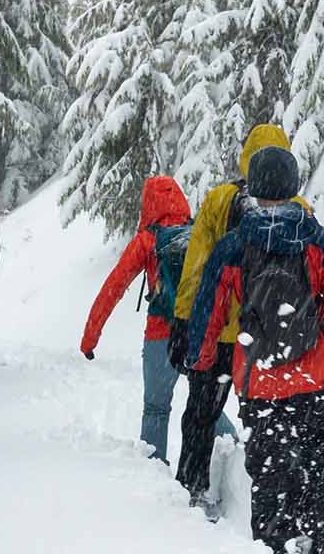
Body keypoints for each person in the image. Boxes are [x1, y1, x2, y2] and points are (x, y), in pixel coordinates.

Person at [186, 144, 324, 554]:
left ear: (251, 187)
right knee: (321, 453)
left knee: (270, 466)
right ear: (293, 186)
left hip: (260, 378)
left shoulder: (234, 246)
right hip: (316, 376)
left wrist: (201, 358)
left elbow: (208, 312)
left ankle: (279, 552)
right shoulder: (318, 242)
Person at [169, 122, 301, 510]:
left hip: (221, 335)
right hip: (272, 340)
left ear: (247, 157)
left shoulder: (220, 199)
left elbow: (197, 266)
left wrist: (183, 322)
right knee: (274, 420)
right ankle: (277, 504)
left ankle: (190, 488)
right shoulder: (299, 209)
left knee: (200, 415)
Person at [79, 174, 229, 466]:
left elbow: (113, 288)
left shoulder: (147, 241)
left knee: (157, 409)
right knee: (208, 404)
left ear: (148, 204)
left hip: (161, 336)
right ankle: (233, 458)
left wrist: (89, 339)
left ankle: (155, 480)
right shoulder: (198, 232)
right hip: (198, 333)